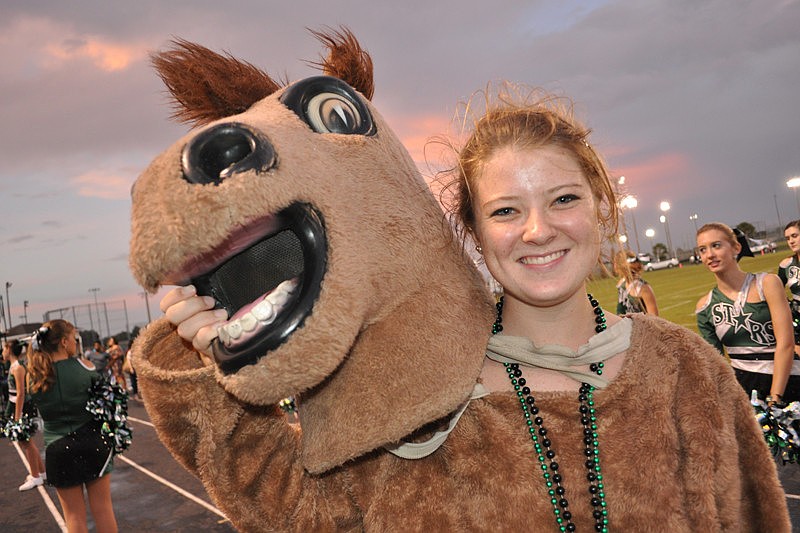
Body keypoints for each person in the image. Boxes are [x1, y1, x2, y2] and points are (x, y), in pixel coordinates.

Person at [159, 86, 790, 530]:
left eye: (563, 199)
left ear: (601, 207)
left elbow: (753, 517)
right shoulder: (415, 388)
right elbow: (300, 513)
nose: (538, 231)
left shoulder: (683, 367)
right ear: (474, 230)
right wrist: (195, 361)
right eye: (506, 210)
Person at [26, 320, 118, 533]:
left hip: (58, 450)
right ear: (65, 342)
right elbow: (107, 396)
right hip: (94, 444)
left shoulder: (35, 376)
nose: (77, 343)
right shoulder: (84, 365)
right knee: (103, 509)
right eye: (75, 338)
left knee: (73, 517)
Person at [696, 222, 800, 406]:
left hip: (788, 382)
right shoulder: (704, 307)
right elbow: (716, 364)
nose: (709, 254)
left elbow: (786, 343)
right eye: (702, 250)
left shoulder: (767, 284)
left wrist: (775, 399)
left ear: (736, 247)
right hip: (744, 392)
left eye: (716, 245)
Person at [3, 339, 46, 491]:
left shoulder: (18, 368)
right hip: (15, 404)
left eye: (4, 349)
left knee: (26, 442)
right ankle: (41, 472)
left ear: (9, 350)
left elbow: (21, 392)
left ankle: (36, 477)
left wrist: (17, 416)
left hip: (21, 407)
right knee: (25, 442)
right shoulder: (14, 366)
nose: (2, 352)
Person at [612, 250, 659, 315]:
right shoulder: (621, 283)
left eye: (616, 263)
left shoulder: (643, 288)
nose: (614, 266)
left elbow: (654, 318)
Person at [778, 219, 800, 354]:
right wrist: (789, 306)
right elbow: (776, 291)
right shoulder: (786, 265)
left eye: (795, 236)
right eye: (787, 238)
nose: (791, 241)